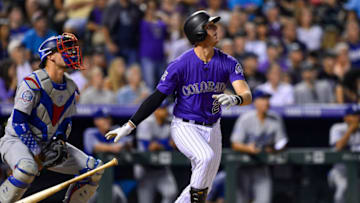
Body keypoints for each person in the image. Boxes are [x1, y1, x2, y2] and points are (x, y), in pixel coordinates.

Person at [105, 10, 252, 203]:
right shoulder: (181, 64)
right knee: (205, 158)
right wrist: (129, 125)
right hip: (185, 126)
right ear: (198, 33)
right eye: (209, 26)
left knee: (202, 185)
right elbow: (157, 97)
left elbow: (246, 94)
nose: (216, 29)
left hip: (214, 127)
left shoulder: (228, 62)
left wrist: (236, 100)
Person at [0, 33, 104, 203]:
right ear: (50, 56)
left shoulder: (70, 86)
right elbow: (19, 122)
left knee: (95, 169)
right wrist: (36, 151)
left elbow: (66, 120)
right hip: (16, 141)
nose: (71, 53)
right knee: (27, 168)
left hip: (46, 144)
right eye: (64, 50)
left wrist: (61, 140)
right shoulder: (32, 83)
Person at [231, 89, 288, 203]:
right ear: (255, 102)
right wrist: (248, 148)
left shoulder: (275, 119)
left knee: (264, 200)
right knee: (241, 200)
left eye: (267, 99)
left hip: (262, 166)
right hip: (244, 165)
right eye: (263, 99)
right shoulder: (245, 119)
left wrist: (273, 148)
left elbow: (282, 143)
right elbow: (235, 144)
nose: (266, 102)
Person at [83, 109, 131, 203]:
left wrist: (122, 145)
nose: (107, 121)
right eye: (103, 119)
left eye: (108, 118)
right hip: (88, 180)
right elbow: (96, 147)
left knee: (121, 198)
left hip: (109, 180)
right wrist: (114, 147)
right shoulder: (90, 132)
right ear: (96, 121)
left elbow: (129, 143)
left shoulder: (115, 130)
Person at [135, 103, 178, 203]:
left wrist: (160, 145)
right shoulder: (146, 122)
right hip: (145, 168)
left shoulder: (170, 122)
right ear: (156, 111)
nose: (166, 111)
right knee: (145, 201)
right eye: (162, 109)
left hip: (161, 168)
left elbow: (175, 145)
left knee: (171, 193)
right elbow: (148, 146)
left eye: (165, 109)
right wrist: (167, 144)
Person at [328, 105, 360, 203]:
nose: (357, 118)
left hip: (357, 172)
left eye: (358, 115)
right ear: (345, 117)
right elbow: (338, 147)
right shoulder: (337, 128)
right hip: (340, 172)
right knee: (343, 188)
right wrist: (350, 130)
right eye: (353, 115)